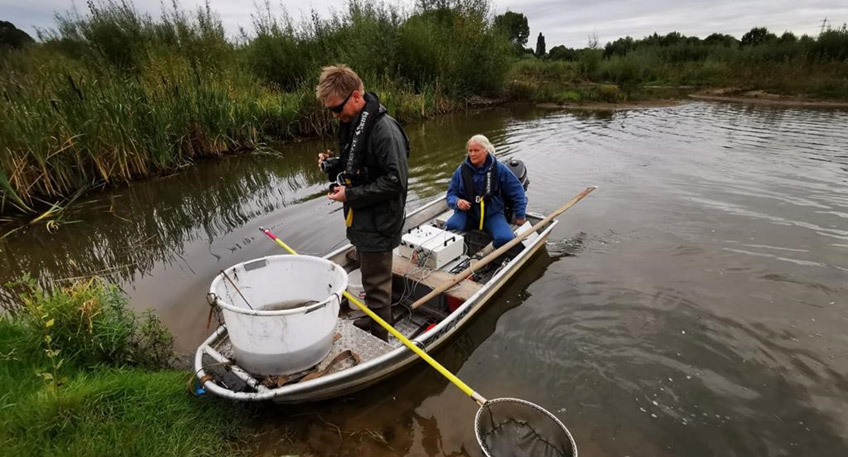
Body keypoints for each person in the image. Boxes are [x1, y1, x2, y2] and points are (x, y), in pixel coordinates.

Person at [316, 65, 410, 341]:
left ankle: (380, 340)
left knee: (376, 285)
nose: (335, 115)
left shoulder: (384, 130)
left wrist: (350, 195)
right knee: (370, 279)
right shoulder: (354, 125)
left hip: (380, 221)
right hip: (362, 217)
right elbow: (357, 166)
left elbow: (395, 182)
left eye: (336, 109)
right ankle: (374, 321)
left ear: (356, 96)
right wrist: (332, 165)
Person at [445, 134, 527, 248]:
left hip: (492, 214)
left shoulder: (499, 168)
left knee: (506, 238)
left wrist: (520, 216)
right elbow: (450, 195)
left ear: (486, 151)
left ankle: (484, 254)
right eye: (470, 151)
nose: (472, 154)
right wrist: (457, 202)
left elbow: (518, 192)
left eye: (476, 151)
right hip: (468, 214)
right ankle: (461, 251)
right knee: (449, 227)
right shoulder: (461, 170)